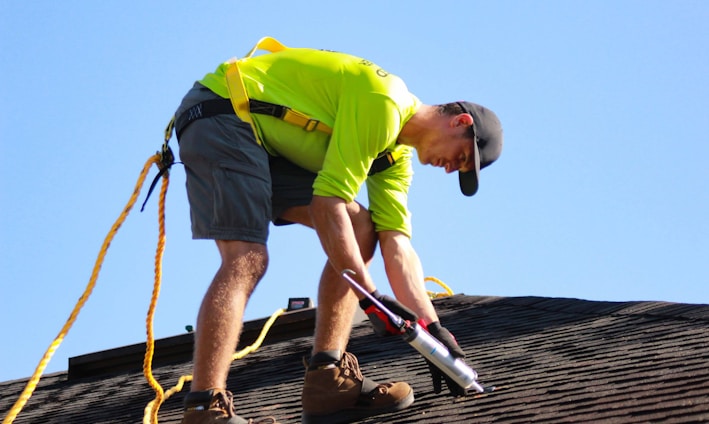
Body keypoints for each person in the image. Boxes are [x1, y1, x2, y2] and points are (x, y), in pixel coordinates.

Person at [172, 37, 503, 424]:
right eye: (460, 157)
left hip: (269, 143)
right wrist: (370, 297)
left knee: (363, 226)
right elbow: (327, 205)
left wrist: (434, 331)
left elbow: (397, 246)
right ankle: (204, 407)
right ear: (461, 122)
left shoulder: (394, 158)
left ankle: (327, 382)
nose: (450, 168)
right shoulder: (384, 102)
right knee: (247, 258)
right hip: (224, 113)